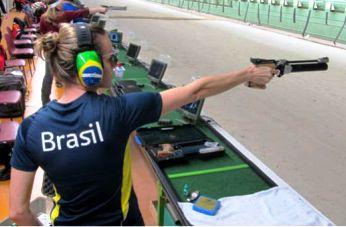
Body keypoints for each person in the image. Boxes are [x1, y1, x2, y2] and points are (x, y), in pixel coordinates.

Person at [9, 23, 276, 225]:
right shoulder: (120, 111)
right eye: (110, 58)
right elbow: (197, 90)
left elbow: (19, 211)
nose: (114, 64)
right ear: (89, 66)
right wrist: (248, 73)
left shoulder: (31, 127)